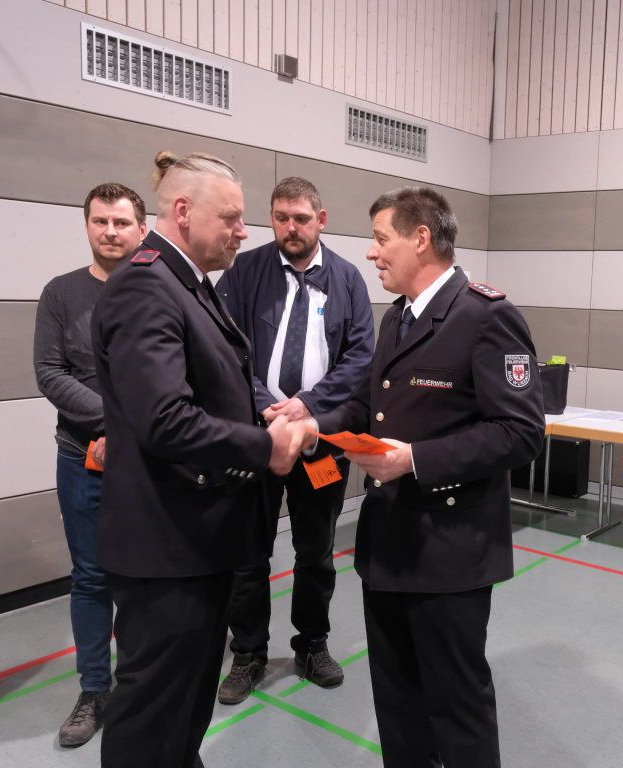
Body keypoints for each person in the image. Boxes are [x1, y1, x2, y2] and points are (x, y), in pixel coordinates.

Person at [91, 151, 310, 768]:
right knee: (153, 715)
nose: (244, 231)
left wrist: (256, 421)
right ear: (183, 212)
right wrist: (265, 446)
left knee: (184, 709)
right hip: (165, 547)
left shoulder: (184, 283)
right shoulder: (146, 286)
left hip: (195, 541)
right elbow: (164, 419)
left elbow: (204, 393)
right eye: (232, 218)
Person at [313, 186, 544, 767]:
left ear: (421, 239)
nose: (371, 252)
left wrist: (415, 459)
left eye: (380, 238)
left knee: (456, 706)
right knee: (396, 701)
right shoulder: (397, 318)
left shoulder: (487, 317)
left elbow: (520, 433)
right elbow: (369, 407)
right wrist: (313, 424)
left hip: (450, 552)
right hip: (388, 545)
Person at [214, 177, 373, 702]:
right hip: (255, 438)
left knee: (316, 553)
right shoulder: (244, 272)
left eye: (301, 218)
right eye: (281, 217)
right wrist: (266, 404)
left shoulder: (348, 280)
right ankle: (248, 653)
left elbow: (360, 358)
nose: (290, 228)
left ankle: (312, 644)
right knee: (248, 553)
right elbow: (224, 346)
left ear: (321, 220)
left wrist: (308, 406)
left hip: (319, 442)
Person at [33, 182, 147, 747]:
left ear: (141, 229)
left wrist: (131, 432)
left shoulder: (159, 292)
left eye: (121, 222)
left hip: (147, 463)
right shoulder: (61, 293)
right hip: (82, 459)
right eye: (100, 221)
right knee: (90, 577)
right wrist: (113, 422)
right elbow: (50, 373)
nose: (110, 231)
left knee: (144, 575)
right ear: (87, 227)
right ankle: (94, 689)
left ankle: (139, 684)